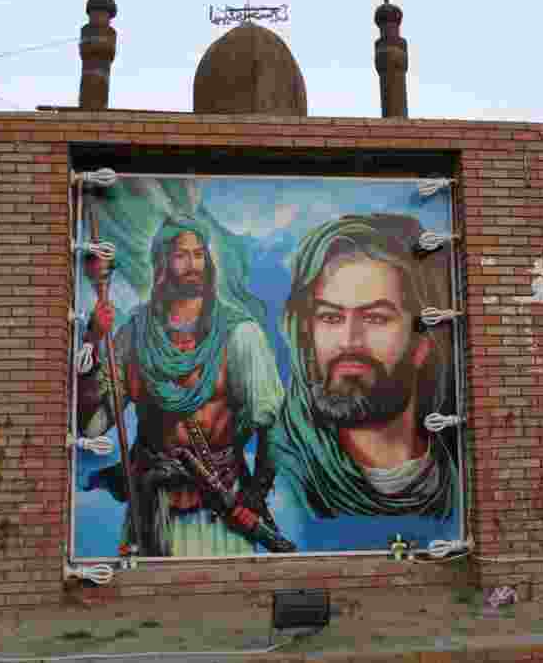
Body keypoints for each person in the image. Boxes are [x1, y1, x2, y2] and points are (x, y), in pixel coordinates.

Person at [78, 214, 294, 556]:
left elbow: (273, 425)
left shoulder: (239, 334)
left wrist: (253, 498)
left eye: (198, 254)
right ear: (162, 263)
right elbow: (92, 426)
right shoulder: (133, 334)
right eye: (181, 255)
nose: (192, 264)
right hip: (150, 505)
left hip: (220, 504)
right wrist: (92, 339)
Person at [273, 214, 460, 544]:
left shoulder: (458, 477)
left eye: (375, 318)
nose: (349, 341)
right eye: (330, 317)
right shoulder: (280, 479)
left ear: (422, 344)